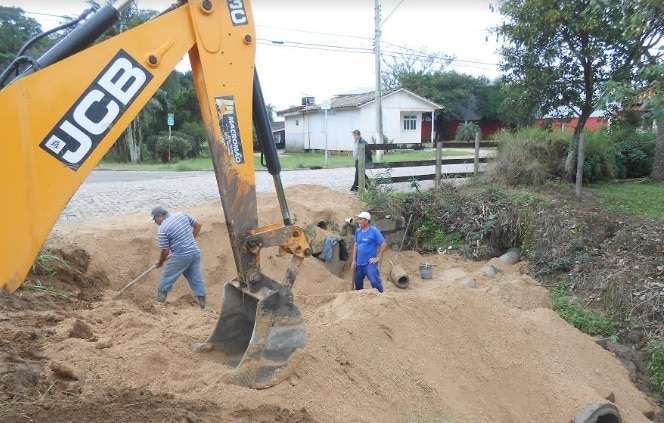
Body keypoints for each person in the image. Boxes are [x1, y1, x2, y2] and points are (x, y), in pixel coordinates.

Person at [151, 206, 206, 309]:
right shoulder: (182, 215)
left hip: (181, 256)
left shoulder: (162, 229)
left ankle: (159, 304)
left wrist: (160, 262)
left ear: (160, 216)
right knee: (196, 279)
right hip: (195, 252)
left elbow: (165, 251)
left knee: (166, 279)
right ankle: (203, 306)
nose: (154, 222)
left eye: (154, 219)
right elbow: (198, 226)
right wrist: (189, 241)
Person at [351, 211, 387, 292]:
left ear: (366, 221)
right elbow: (356, 245)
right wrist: (354, 260)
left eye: (360, 219)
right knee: (358, 283)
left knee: (375, 282)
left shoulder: (374, 231)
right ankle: (362, 300)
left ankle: (381, 296)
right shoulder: (358, 231)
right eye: (358, 219)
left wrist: (378, 258)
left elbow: (384, 244)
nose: (358, 221)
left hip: (369, 263)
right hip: (359, 263)